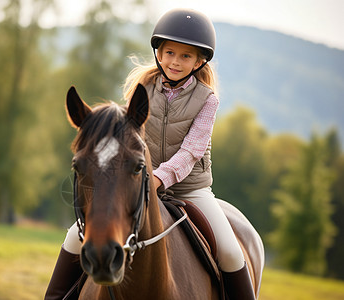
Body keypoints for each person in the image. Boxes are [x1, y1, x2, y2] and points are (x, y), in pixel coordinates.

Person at [45, 8, 255, 300]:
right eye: (170, 52)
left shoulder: (207, 100)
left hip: (190, 189)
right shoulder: (143, 88)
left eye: (185, 56)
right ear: (159, 52)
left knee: (231, 251)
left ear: (199, 61)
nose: (175, 61)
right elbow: (124, 137)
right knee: (74, 236)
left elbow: (192, 150)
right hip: (136, 180)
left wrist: (158, 178)